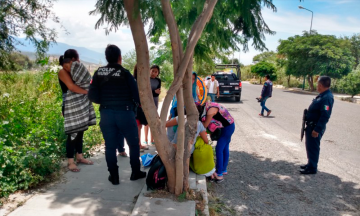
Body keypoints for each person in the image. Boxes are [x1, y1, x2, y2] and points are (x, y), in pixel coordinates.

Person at [88, 44, 146, 185]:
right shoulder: (125, 73)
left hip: (107, 113)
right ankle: (135, 173)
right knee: (133, 145)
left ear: (107, 58)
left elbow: (92, 96)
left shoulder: (98, 73)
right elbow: (137, 97)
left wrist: (106, 101)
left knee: (110, 146)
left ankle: (114, 176)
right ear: (120, 58)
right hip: (125, 113)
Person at [58, 50, 94, 172]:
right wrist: (87, 92)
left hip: (80, 104)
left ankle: (79, 156)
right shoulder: (63, 72)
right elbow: (72, 87)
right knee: (73, 133)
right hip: (70, 105)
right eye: (77, 59)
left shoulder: (74, 71)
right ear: (72, 59)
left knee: (80, 132)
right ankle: (70, 161)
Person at [300, 76, 334, 175]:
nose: (317, 86)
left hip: (315, 127)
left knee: (313, 147)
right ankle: (310, 163)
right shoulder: (322, 95)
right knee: (309, 146)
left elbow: (325, 115)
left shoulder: (327, 97)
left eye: (318, 84)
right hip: (311, 125)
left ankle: (312, 168)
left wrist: (317, 129)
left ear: (320, 85)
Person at [196, 101, 235, 182]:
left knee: (219, 149)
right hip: (229, 125)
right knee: (225, 148)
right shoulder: (208, 105)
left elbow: (205, 125)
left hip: (227, 128)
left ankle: (219, 174)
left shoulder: (210, 112)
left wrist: (197, 124)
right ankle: (223, 169)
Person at [144, 65, 161, 145]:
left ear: (158, 73)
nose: (154, 73)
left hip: (154, 102)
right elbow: (145, 91)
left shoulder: (158, 81)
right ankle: (146, 139)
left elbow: (157, 93)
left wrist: (153, 92)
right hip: (146, 102)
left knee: (153, 121)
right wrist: (153, 92)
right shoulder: (145, 79)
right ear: (149, 70)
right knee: (146, 121)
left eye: (156, 72)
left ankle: (152, 139)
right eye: (152, 71)